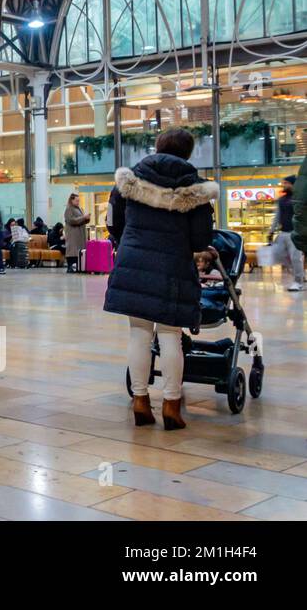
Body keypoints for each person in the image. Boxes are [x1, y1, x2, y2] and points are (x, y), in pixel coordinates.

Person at [105, 128, 216, 431]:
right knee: (170, 336)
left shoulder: (130, 180)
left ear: (157, 146)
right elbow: (201, 239)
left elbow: (113, 222)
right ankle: (170, 405)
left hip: (133, 262)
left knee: (139, 334)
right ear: (188, 153)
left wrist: (126, 241)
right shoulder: (196, 189)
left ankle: (140, 400)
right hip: (172, 268)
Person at [268, 175, 302, 292]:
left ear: (293, 184)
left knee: (295, 258)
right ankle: (299, 274)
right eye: (284, 183)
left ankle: (298, 282)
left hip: (295, 232)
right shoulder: (281, 200)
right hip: (283, 232)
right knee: (279, 255)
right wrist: (271, 230)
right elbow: (277, 216)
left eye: (287, 183)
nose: (284, 185)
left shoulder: (299, 198)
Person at [63, 193, 90, 273]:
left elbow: (81, 220)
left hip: (80, 233)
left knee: (79, 250)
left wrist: (87, 219)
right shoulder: (69, 209)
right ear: (71, 200)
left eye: (79, 200)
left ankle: (79, 267)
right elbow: (71, 220)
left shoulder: (80, 208)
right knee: (73, 250)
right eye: (76, 200)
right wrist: (83, 217)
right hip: (73, 234)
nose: (78, 202)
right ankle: (70, 267)